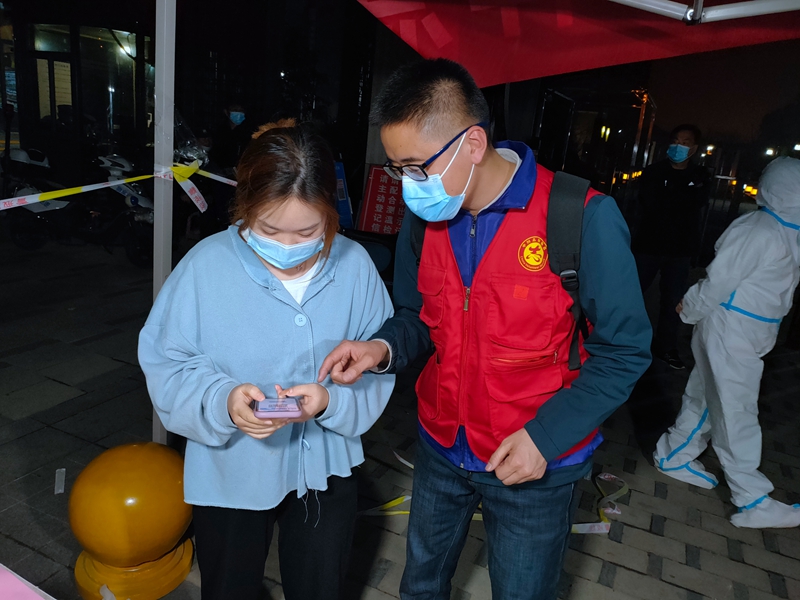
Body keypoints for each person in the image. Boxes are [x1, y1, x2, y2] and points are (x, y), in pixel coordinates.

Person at [318, 59, 652, 600]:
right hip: (441, 447)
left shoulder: (579, 217)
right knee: (420, 586)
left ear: (473, 143)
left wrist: (545, 439)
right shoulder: (426, 220)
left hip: (534, 463)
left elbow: (624, 351)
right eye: (398, 170)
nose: (408, 186)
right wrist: (380, 348)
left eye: (416, 167)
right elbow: (417, 317)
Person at [138, 119, 395, 600]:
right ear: (245, 207)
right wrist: (223, 400)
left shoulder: (355, 266)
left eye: (308, 231)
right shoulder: (205, 266)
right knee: (229, 587)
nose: (287, 248)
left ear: (331, 212)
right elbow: (167, 362)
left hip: (324, 467)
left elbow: (376, 360)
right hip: (230, 469)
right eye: (269, 230)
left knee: (320, 586)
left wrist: (330, 401)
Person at [654, 157, 800, 529]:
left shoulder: (786, 228)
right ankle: (752, 498)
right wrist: (692, 307)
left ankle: (674, 454)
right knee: (736, 410)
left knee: (707, 395)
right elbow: (720, 278)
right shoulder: (761, 229)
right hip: (731, 328)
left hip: (746, 329)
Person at [632, 124, 710, 370]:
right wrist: (682, 196)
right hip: (648, 246)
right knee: (631, 295)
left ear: (694, 148)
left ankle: (666, 347)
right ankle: (624, 341)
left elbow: (696, 203)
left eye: (685, 142)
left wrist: (673, 198)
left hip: (680, 250)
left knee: (673, 301)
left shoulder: (701, 175)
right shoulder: (653, 172)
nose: (679, 146)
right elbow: (651, 203)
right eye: (676, 141)